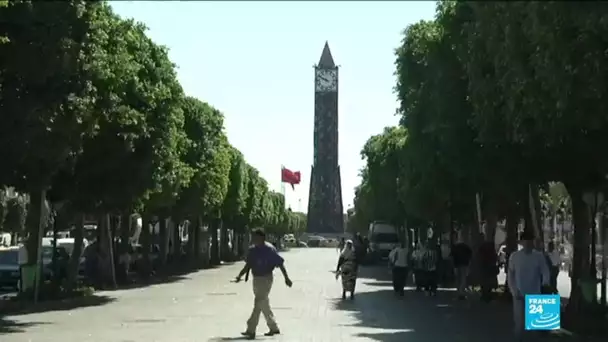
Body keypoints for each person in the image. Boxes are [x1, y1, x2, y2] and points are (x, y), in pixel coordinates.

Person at [235, 228, 293, 339]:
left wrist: (286, 278)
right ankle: (273, 327)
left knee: (259, 301)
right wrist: (240, 275)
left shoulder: (269, 249)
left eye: (255, 237)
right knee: (263, 303)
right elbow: (248, 265)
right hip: (256, 278)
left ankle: (251, 329)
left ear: (261, 238)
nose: (253, 239)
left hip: (266, 278)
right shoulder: (253, 250)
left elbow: (280, 263)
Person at [508, 231, 550, 342]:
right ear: (521, 242)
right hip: (519, 294)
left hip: (534, 293)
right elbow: (510, 275)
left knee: (535, 326)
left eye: (530, 241)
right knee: (519, 324)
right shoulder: (515, 256)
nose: (528, 243)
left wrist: (545, 283)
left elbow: (545, 271)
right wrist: (513, 290)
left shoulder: (538, 256)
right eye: (525, 241)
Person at [477, 233, 499, 302]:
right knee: (488, 280)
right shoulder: (490, 246)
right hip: (489, 265)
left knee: (485, 280)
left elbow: (479, 256)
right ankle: (488, 294)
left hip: (484, 265)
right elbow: (495, 256)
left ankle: (485, 294)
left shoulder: (481, 246)